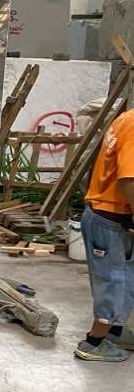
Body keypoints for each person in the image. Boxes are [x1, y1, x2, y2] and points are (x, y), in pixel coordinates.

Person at [75, 110, 134, 362]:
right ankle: (93, 343)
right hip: (109, 218)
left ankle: (114, 333)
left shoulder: (127, 117)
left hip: (115, 217)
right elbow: (129, 180)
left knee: (127, 280)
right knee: (113, 282)